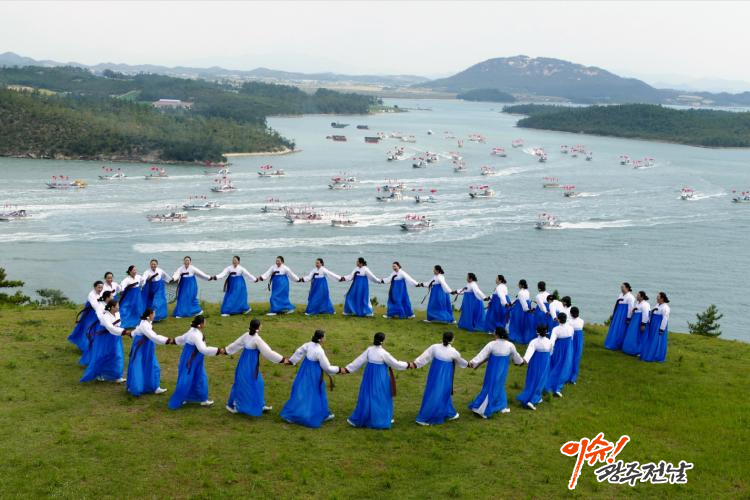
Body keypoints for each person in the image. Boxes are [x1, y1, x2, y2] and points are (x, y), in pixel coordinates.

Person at [225, 318, 291, 416]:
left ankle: (259, 404)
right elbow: (268, 352)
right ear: (258, 328)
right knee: (249, 384)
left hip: (245, 364)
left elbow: (235, 344)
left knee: (256, 383)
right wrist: (282, 359)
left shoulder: (246, 335)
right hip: (249, 365)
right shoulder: (257, 340)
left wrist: (226, 350)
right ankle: (237, 406)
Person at [344, 332, 410, 429]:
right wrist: (408, 364)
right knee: (381, 396)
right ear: (383, 341)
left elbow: (359, 361)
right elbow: (395, 364)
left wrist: (347, 369)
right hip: (380, 377)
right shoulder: (384, 353)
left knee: (368, 395)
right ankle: (380, 418)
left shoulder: (369, 350)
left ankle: (367, 417)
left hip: (369, 376)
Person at [280, 330, 343, 428]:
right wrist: (339, 369)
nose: (325, 338)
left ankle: (293, 413)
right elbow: (326, 367)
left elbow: (299, 351)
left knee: (301, 390)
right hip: (314, 373)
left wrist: (292, 361)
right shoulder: (319, 351)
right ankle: (321, 414)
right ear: (321, 339)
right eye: (324, 337)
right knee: (316, 391)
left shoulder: (308, 344)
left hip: (304, 370)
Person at [168, 315, 226, 409]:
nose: (205, 323)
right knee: (189, 378)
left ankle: (199, 398)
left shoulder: (192, 331)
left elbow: (181, 338)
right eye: (204, 322)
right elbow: (203, 349)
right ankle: (183, 397)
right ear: (201, 324)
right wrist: (218, 350)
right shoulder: (195, 335)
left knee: (198, 377)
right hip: (191, 360)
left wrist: (173, 341)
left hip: (194, 359)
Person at [411, 331, 469, 425]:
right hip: (445, 376)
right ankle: (424, 417)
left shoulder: (435, 347)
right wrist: (468, 364)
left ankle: (449, 412)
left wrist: (415, 363)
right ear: (452, 340)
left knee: (438, 391)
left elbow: (425, 356)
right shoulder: (453, 352)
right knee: (440, 392)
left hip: (434, 374)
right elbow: (461, 361)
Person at [467, 327, 524, 418]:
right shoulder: (510, 345)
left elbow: (482, 355)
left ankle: (499, 405)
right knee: (498, 384)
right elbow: (516, 356)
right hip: (502, 369)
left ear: (497, 334)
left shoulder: (492, 344)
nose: (493, 333)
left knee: (492, 385)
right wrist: (520, 362)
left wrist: (472, 362)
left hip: (492, 369)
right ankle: (483, 408)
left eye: (494, 332)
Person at [80, 299, 132, 383]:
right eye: (117, 306)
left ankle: (117, 376)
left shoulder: (117, 313)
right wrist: (124, 332)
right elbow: (110, 328)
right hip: (105, 338)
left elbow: (117, 325)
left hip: (115, 337)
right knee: (103, 355)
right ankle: (100, 374)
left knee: (117, 355)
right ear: (112, 307)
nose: (119, 307)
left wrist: (122, 332)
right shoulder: (106, 317)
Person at [127, 308, 175, 397]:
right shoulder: (144, 325)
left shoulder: (146, 322)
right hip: (141, 348)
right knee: (138, 366)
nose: (155, 315)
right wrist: (168, 340)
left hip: (147, 348)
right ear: (149, 315)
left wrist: (132, 333)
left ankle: (154, 387)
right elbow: (154, 337)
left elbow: (137, 330)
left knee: (152, 365)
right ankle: (136, 387)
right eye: (154, 314)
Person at [516, 325, 553, 410]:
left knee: (532, 379)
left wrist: (521, 362)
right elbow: (551, 352)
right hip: (545, 363)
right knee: (541, 380)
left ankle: (531, 398)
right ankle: (534, 399)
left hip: (535, 363)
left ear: (537, 332)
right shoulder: (549, 341)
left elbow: (528, 355)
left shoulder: (534, 342)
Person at [67, 281, 104, 353]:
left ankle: (95, 346)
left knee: (98, 329)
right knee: (87, 328)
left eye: (101, 287)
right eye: (99, 287)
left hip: (99, 314)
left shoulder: (102, 293)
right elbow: (95, 305)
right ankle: (85, 346)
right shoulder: (91, 294)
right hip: (90, 314)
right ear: (95, 287)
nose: (100, 289)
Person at [545, 312, 574, 397]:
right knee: (564, 367)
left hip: (559, 348)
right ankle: (557, 387)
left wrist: (549, 351)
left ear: (558, 320)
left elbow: (552, 342)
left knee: (556, 366)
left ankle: (549, 385)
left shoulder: (556, 329)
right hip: (568, 348)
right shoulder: (571, 328)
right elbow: (572, 338)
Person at [640, 292, 671, 363]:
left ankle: (655, 355)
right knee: (651, 339)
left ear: (662, 298)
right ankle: (648, 353)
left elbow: (665, 319)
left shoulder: (666, 308)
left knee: (656, 340)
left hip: (658, 325)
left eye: (658, 297)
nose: (656, 298)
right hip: (653, 325)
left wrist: (661, 329)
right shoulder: (657, 305)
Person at [604, 283, 635, 351]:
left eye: (623, 287)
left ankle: (618, 345)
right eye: (621, 287)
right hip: (618, 313)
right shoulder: (621, 295)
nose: (621, 289)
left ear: (627, 288)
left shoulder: (630, 297)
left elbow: (630, 308)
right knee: (615, 327)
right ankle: (612, 342)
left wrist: (628, 318)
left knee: (621, 329)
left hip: (623, 315)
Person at [621, 292, 650, 356]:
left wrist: (643, 324)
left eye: (638, 295)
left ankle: (638, 351)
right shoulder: (637, 303)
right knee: (632, 334)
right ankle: (630, 349)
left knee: (640, 336)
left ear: (642, 297)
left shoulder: (645, 304)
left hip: (640, 321)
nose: (636, 296)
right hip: (635, 321)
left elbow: (645, 314)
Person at [509, 279, 533, 343]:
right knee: (524, 322)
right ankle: (523, 335)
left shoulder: (520, 292)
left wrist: (526, 309)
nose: (518, 285)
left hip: (520, 309)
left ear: (521, 285)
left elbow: (523, 302)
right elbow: (520, 299)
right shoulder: (527, 291)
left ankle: (516, 336)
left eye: (519, 284)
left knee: (517, 322)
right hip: (526, 307)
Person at [567, 306, 585, 384]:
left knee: (569, 357)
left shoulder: (568, 321)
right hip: (579, 339)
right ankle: (573, 377)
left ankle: (567, 375)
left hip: (571, 339)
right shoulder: (582, 321)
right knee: (576, 358)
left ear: (570, 313)